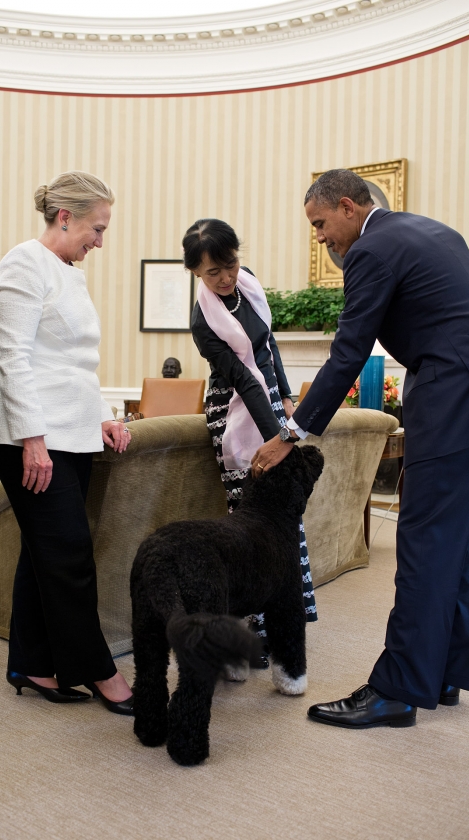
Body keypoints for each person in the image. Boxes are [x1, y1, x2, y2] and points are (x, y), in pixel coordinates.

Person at [252, 168, 469, 728]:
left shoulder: (372, 250)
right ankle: (445, 673)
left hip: (449, 393)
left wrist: (292, 434)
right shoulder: (434, 231)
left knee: (426, 542)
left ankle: (399, 689)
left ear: (351, 207)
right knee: (465, 543)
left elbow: (348, 351)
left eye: (320, 223)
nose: (320, 237)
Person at [0, 171, 134, 717]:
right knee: (69, 553)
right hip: (30, 434)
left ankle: (34, 663)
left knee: (44, 550)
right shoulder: (22, 263)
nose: (101, 240)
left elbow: (76, 363)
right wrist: (33, 440)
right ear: (65, 217)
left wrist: (103, 416)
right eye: (97, 227)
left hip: (70, 432)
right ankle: (100, 671)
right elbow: (14, 359)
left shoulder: (68, 272)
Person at [185, 218, 317, 659]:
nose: (225, 278)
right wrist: (277, 437)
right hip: (235, 411)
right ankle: (253, 631)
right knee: (252, 523)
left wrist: (286, 398)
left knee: (284, 519)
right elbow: (241, 376)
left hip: (272, 406)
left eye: (231, 265)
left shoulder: (251, 285)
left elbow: (269, 347)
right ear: (196, 273)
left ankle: (286, 617)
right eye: (212, 272)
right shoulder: (203, 321)